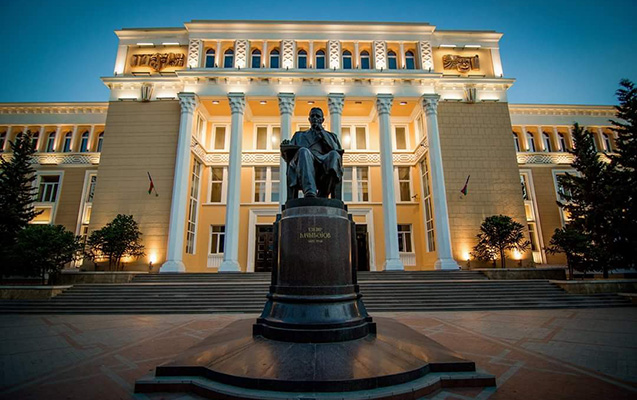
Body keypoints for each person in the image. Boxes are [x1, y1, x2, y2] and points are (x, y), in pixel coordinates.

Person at [280, 107, 343, 199]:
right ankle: (310, 192)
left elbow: (336, 149)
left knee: (334, 155)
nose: (315, 118)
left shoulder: (331, 136)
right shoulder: (299, 135)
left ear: (322, 120)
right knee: (304, 151)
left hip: (323, 162)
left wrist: (322, 132)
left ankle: (323, 193)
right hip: (304, 162)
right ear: (309, 119)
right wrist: (285, 146)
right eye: (312, 116)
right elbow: (287, 156)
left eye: (317, 116)